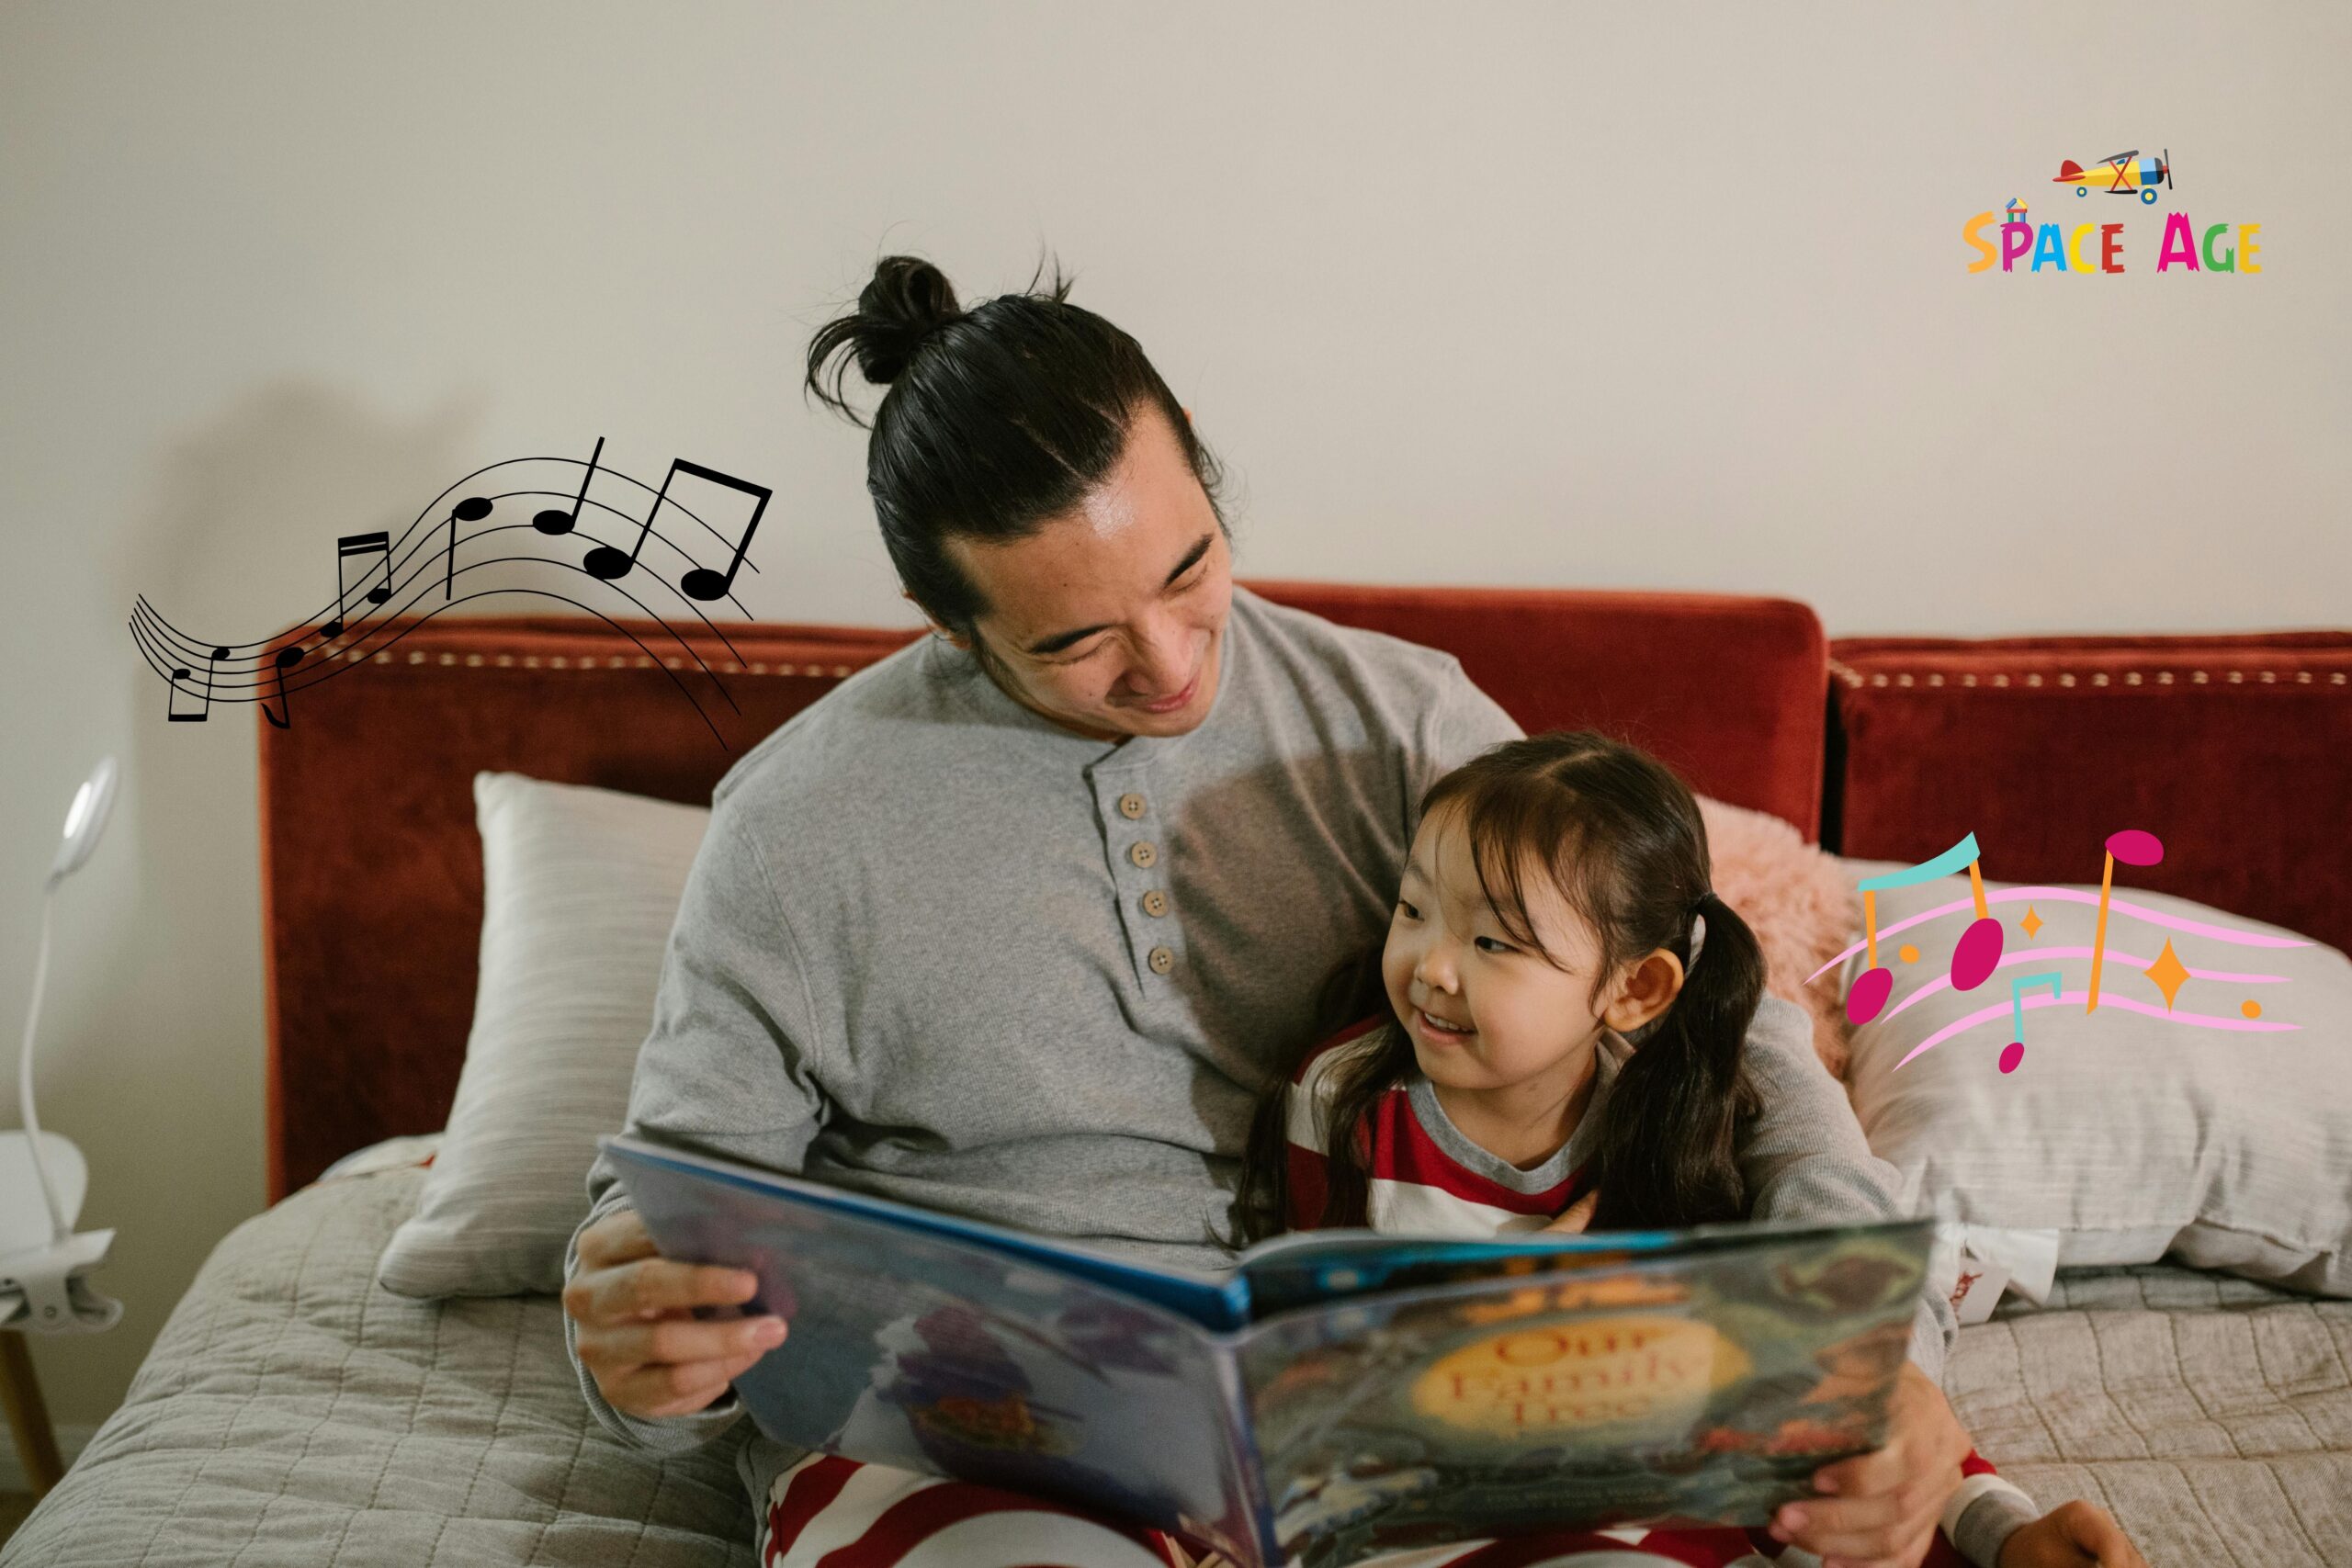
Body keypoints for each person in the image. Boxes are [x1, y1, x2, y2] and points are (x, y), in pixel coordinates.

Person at [557, 252, 2093, 1567]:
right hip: (986, 1432)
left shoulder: (1395, 715)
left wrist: (1863, 1334)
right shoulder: (799, 825)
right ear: (953, 628)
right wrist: (635, 1338)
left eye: (1192, 567)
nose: (1168, 663)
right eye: (1080, 640)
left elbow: (1700, 995)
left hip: (1409, 1426)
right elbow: (674, 1210)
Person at [1223, 730, 2147, 1568]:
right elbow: (1311, 1368)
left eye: (1493, 941)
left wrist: (1997, 1527)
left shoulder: (1692, 1119)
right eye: (1413, 910)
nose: (1429, 964)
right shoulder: (1343, 1105)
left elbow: (1841, 1396)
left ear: (1635, 990)